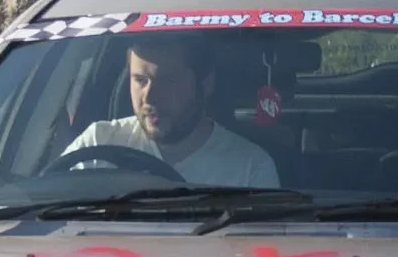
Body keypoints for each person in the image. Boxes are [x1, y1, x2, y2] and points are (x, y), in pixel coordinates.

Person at [61, 36, 280, 188]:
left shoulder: (249, 168)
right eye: (140, 80)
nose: (149, 96)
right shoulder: (98, 144)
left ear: (205, 84)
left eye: (168, 81)